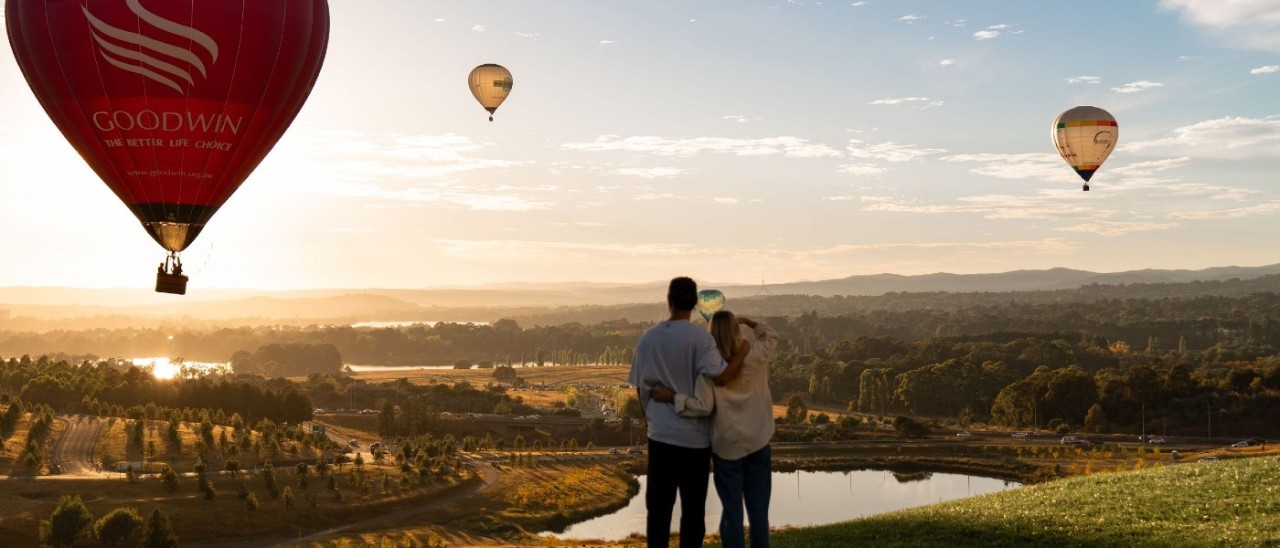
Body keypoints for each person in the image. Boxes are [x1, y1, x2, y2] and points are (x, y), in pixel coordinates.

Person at [630, 277, 749, 548]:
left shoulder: (648, 338)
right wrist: (743, 353)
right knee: (693, 512)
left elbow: (640, 387)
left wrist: (650, 417)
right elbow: (721, 377)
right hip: (695, 440)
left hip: (660, 435)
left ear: (669, 301)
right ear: (695, 304)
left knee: (658, 510)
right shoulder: (701, 339)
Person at [651, 310, 779, 548]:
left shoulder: (709, 369)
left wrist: (673, 398)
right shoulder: (756, 355)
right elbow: (771, 336)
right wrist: (749, 321)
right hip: (758, 441)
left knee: (732, 514)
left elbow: (703, 406)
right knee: (759, 513)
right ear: (735, 331)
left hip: (728, 447)